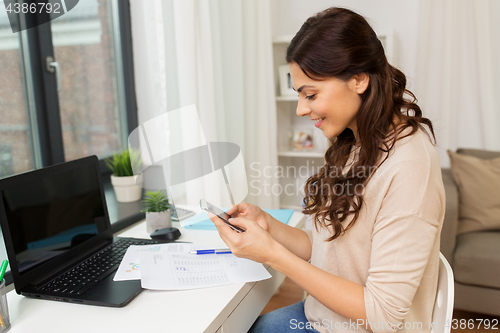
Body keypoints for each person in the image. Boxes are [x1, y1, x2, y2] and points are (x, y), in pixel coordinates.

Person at [208, 7, 445, 333]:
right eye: (299, 95)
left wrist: (274, 255)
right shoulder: (357, 142)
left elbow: (383, 315)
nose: (302, 109)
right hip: (323, 319)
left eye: (311, 94)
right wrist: (268, 226)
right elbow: (329, 250)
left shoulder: (409, 167)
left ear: (359, 79)